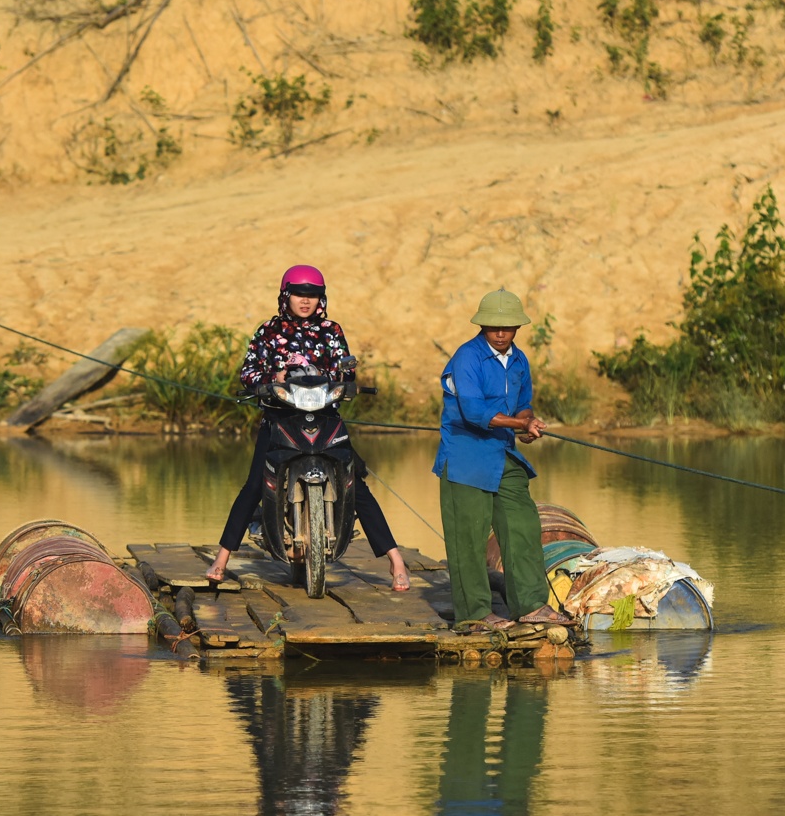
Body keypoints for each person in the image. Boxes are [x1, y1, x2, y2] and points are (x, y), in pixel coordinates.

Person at [204, 265, 411, 590]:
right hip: (279, 419)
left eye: (312, 295)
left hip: (326, 418)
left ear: (321, 298)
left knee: (354, 482)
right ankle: (221, 558)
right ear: (286, 295)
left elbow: (346, 370)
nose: (306, 301)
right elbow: (248, 372)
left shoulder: (331, 330)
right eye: (299, 294)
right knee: (255, 485)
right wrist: (273, 379)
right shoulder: (269, 331)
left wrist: (347, 378)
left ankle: (396, 561)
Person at [433, 289, 549, 630]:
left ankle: (530, 605)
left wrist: (528, 424)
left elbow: (523, 403)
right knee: (468, 539)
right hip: (466, 458)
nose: (500, 333)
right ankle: (475, 614)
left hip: (503, 453)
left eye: (508, 327)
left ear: (517, 327)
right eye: (493, 327)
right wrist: (520, 424)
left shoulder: (519, 360)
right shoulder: (466, 358)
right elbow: (473, 411)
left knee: (524, 526)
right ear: (482, 326)